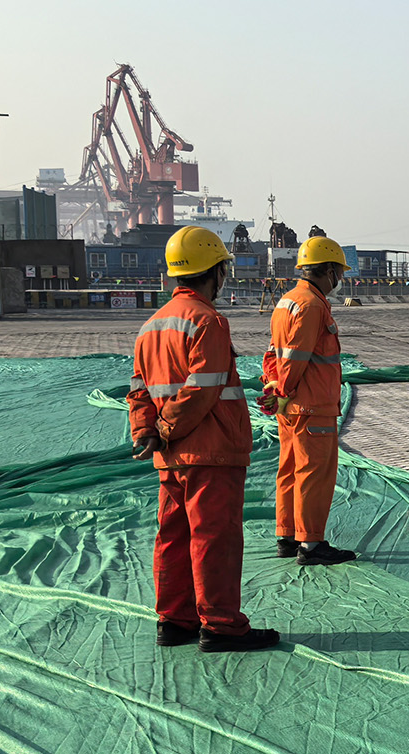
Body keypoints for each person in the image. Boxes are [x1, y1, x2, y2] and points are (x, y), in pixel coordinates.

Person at [128, 226, 280, 653]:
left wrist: (147, 431)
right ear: (215, 272)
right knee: (214, 538)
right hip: (210, 452)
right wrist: (164, 429)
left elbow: (138, 389)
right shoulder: (207, 321)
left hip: (170, 457)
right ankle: (221, 626)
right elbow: (203, 387)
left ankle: (175, 620)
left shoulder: (151, 327)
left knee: (173, 536)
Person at [259, 235, 358, 566]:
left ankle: (287, 536)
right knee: (314, 475)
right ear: (328, 271)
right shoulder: (312, 306)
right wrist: (284, 390)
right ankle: (311, 544)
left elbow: (273, 353)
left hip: (289, 408)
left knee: (289, 470)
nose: (339, 280)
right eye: (338, 273)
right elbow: (295, 358)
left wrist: (276, 391)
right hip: (311, 407)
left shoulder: (287, 301)